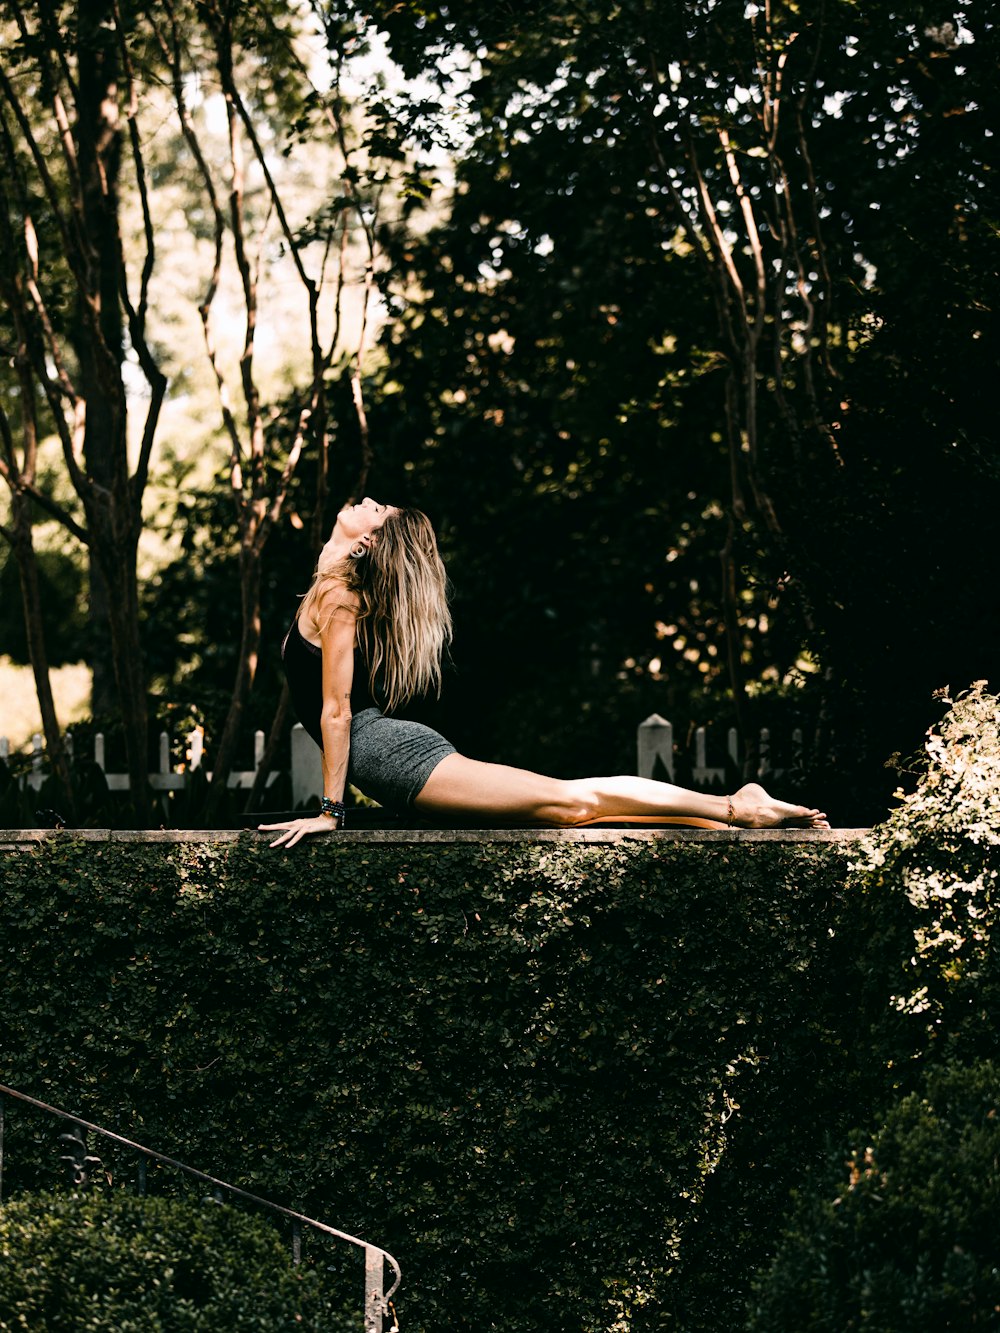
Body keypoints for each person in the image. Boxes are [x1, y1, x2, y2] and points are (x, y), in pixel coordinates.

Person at [261, 499, 829, 848]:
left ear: (368, 541)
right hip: (381, 753)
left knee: (568, 802)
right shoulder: (332, 584)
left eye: (376, 511)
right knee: (566, 811)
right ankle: (721, 816)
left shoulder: (337, 594)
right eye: (377, 507)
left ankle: (736, 806)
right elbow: (329, 702)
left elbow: (335, 710)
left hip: (388, 753)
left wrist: (330, 814)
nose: (368, 501)